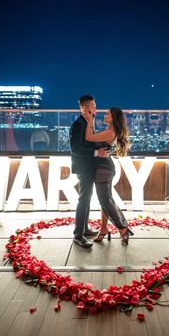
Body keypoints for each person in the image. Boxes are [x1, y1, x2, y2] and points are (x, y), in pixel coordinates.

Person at [83, 107, 134, 245]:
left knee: (105, 200)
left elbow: (88, 138)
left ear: (112, 118)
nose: (104, 116)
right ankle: (104, 229)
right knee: (105, 200)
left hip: (103, 169)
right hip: (104, 167)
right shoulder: (110, 131)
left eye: (107, 114)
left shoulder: (110, 132)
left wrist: (89, 120)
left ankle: (123, 229)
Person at [70, 95, 110, 248]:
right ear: (85, 108)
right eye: (93, 106)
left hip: (89, 166)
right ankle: (78, 235)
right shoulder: (79, 124)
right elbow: (76, 149)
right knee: (84, 200)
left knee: (87, 198)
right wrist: (96, 153)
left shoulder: (88, 123)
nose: (96, 109)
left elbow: (91, 142)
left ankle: (85, 229)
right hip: (83, 167)